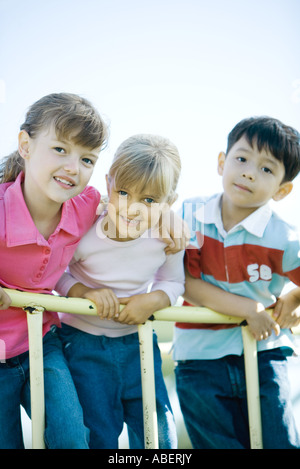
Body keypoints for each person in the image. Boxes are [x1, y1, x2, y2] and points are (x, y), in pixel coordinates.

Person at [174, 116, 300, 449]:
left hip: (265, 354)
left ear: (283, 190)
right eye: (241, 159)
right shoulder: (190, 214)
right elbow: (184, 282)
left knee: (280, 442)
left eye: (267, 169)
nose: (248, 172)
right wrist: (250, 308)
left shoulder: (284, 237)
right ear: (221, 162)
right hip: (198, 357)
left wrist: (295, 299)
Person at [55, 134, 185, 449]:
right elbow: (55, 271)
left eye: (150, 200)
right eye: (123, 192)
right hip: (83, 344)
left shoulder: (169, 236)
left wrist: (153, 300)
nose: (132, 208)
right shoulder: (85, 228)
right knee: (100, 434)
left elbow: (174, 282)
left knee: (159, 437)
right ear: (108, 184)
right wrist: (83, 291)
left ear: (169, 202)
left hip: (138, 342)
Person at [0, 92, 108, 448]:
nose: (73, 168)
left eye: (87, 158)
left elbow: (135, 210)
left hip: (41, 343)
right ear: (25, 146)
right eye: (60, 149)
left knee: (72, 437)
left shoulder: (86, 204)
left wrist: (169, 222)